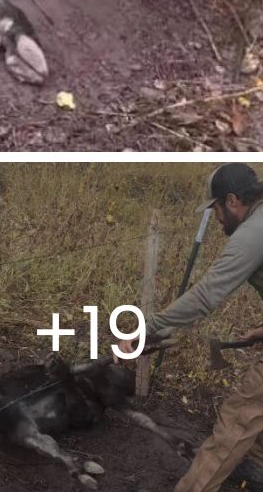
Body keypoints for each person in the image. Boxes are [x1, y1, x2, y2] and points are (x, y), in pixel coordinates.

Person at [117, 163, 263, 491]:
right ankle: (255, 468)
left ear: (232, 200)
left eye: (216, 210)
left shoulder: (254, 232)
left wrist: (147, 327)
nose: (217, 219)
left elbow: (208, 294)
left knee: (238, 419)